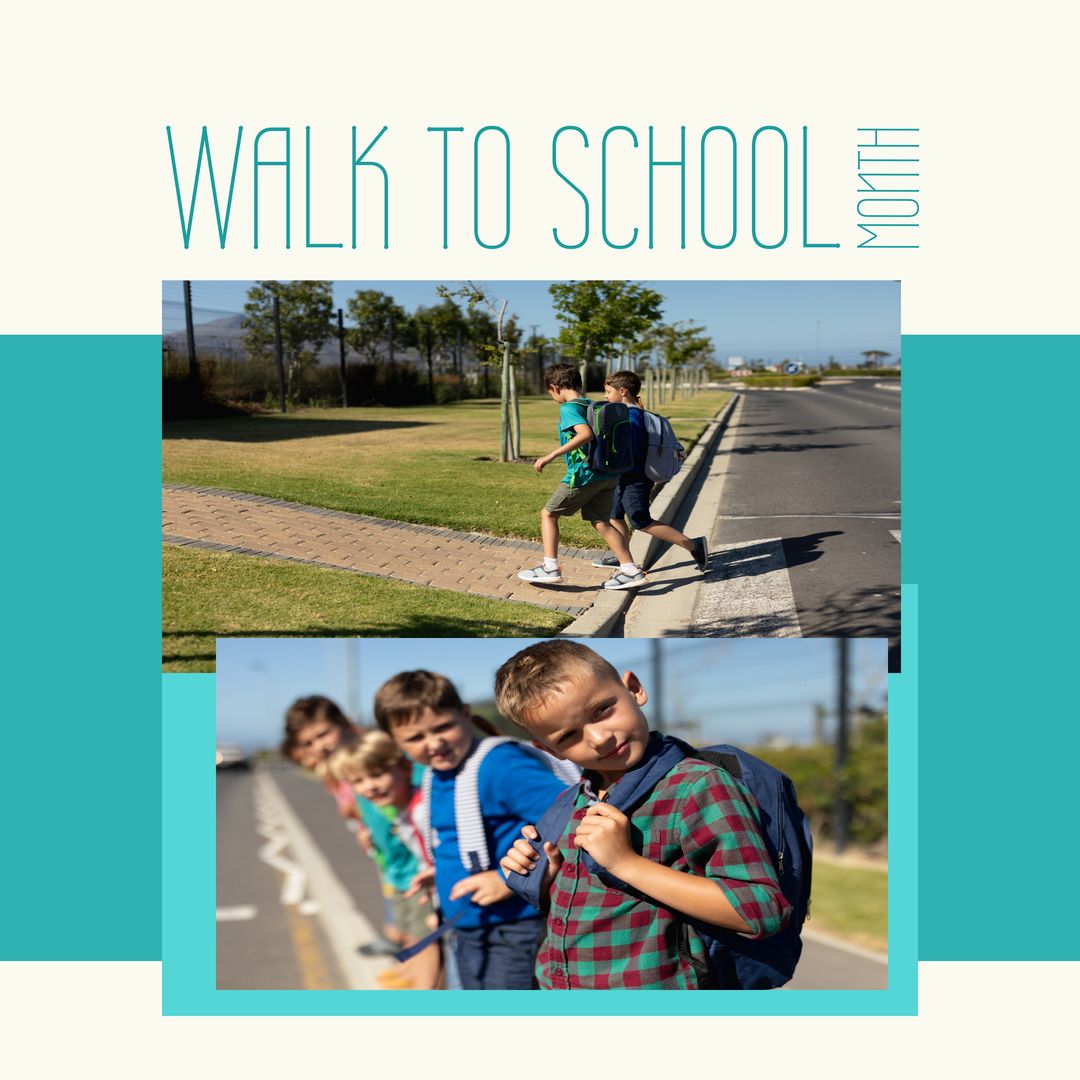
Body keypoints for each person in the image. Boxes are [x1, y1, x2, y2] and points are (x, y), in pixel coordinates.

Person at [495, 640, 791, 990]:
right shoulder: (572, 802)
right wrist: (547, 880)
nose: (600, 738)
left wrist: (626, 864)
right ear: (549, 750)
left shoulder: (696, 786)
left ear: (634, 689)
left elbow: (760, 909)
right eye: (569, 736)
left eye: (602, 710)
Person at [373, 669, 571, 990]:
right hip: (468, 927)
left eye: (443, 727)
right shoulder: (436, 772)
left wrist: (507, 879)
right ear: (394, 742)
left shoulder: (500, 765)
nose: (434, 743)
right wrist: (440, 874)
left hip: (512, 927)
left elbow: (571, 815)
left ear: (465, 715)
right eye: (415, 738)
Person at [280, 696, 399, 956]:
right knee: (390, 886)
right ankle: (399, 941)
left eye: (323, 734)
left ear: (343, 724)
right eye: (308, 743)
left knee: (404, 894)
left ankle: (405, 945)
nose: (318, 746)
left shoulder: (367, 754)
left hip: (401, 842)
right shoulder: (331, 766)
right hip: (378, 842)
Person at [516, 362, 648, 591]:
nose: (552, 397)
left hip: (584, 475)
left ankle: (550, 567)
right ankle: (630, 570)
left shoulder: (568, 408)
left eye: (550, 393)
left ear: (555, 387)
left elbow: (584, 434)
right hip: (608, 475)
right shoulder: (593, 404)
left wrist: (550, 456)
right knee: (601, 522)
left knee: (548, 514)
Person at [327, 732, 441, 990]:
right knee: (412, 934)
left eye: (377, 774)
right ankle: (413, 977)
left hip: (420, 880)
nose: (369, 786)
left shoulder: (420, 804)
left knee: (425, 942)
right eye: (358, 781)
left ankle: (425, 988)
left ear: (403, 767)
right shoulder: (388, 805)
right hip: (403, 877)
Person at [593, 369, 708, 573]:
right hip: (624, 476)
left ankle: (693, 545)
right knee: (615, 515)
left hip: (636, 477)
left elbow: (634, 452)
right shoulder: (627, 414)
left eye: (608, 392)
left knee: (640, 520)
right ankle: (624, 559)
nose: (605, 396)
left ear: (622, 391)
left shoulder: (632, 417)